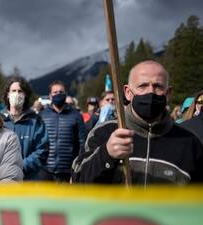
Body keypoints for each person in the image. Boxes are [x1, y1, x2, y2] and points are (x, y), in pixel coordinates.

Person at [72, 60, 203, 185]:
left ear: (168, 93)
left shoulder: (189, 142)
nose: (150, 92)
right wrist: (106, 154)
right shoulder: (104, 132)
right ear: (128, 93)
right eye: (143, 86)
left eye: (158, 86)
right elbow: (77, 181)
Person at [1, 76, 49, 180]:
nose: (17, 94)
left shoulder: (36, 121)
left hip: (28, 182)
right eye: (13, 91)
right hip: (2, 181)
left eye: (20, 91)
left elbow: (42, 150)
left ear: (25, 95)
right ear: (8, 94)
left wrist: (20, 166)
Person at [39, 80, 86, 182]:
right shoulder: (42, 115)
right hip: (46, 171)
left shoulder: (76, 115)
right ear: (50, 96)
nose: (58, 94)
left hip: (68, 172)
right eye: (55, 92)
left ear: (65, 94)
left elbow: (82, 143)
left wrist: (77, 167)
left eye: (61, 92)